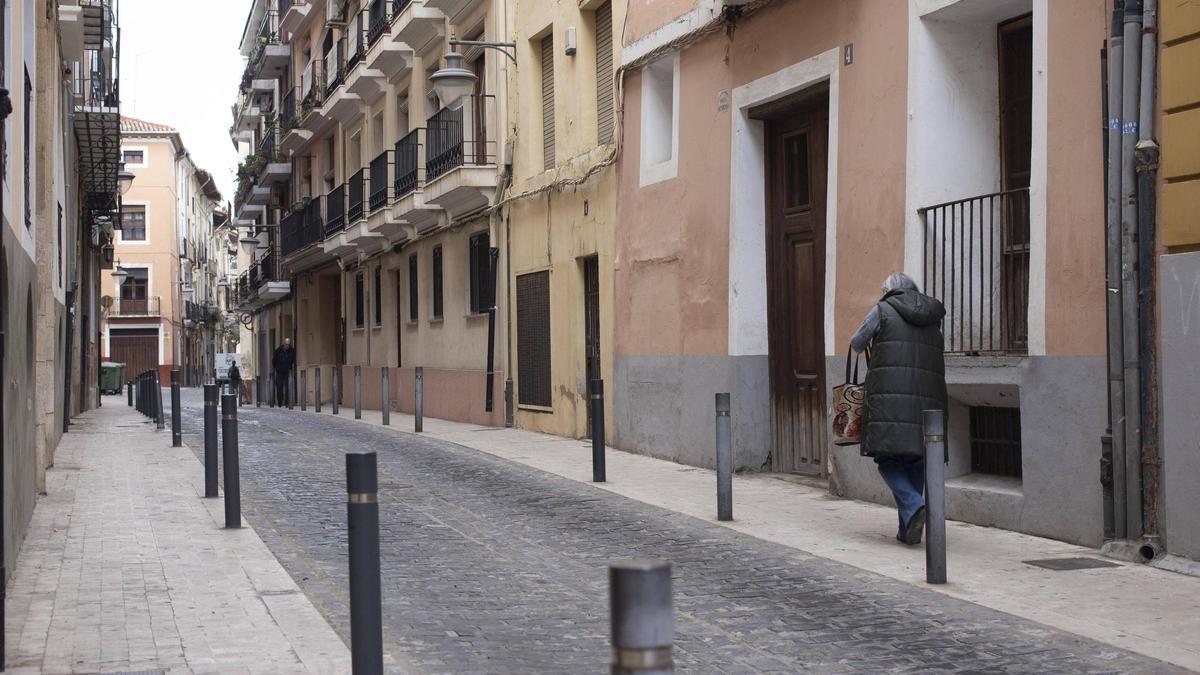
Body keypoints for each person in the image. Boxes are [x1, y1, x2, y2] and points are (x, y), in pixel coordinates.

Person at [850, 272, 947, 545]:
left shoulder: (882, 309)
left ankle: (915, 505)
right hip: (929, 399)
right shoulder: (934, 314)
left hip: (889, 398)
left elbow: (857, 342)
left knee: (888, 459)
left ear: (890, 290)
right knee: (916, 459)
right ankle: (908, 530)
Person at [272, 338, 296, 408]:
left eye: (288, 344)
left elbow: (293, 360)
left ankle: (287, 402)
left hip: (288, 371)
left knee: (288, 387)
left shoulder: (292, 350)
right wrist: (276, 368)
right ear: (283, 344)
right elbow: (274, 360)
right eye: (286, 344)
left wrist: (290, 367)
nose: (287, 346)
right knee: (279, 387)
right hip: (279, 372)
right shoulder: (278, 350)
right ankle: (280, 401)